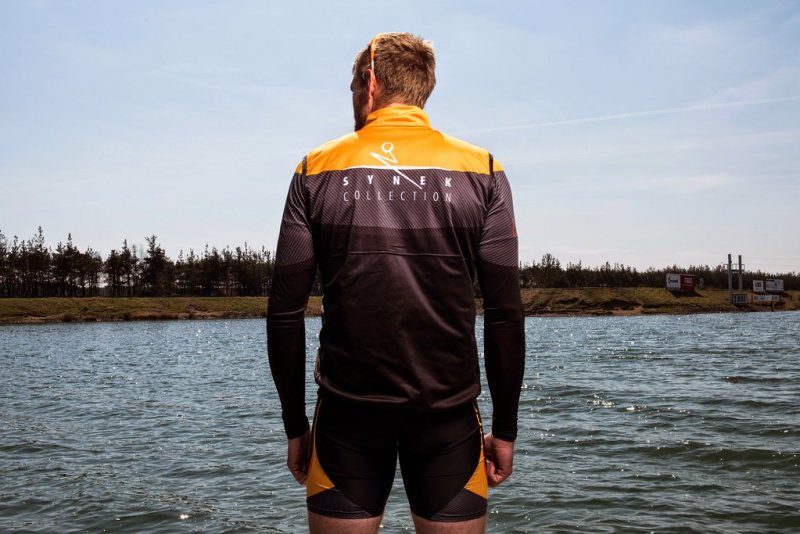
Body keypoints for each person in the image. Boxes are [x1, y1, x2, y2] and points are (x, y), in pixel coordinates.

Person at [267, 32, 525, 534]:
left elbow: (284, 314)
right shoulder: (484, 171)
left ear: (370, 83)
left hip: (346, 420)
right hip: (449, 420)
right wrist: (506, 429)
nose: (352, 100)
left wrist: (295, 426)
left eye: (351, 88)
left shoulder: (314, 169)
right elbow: (505, 314)